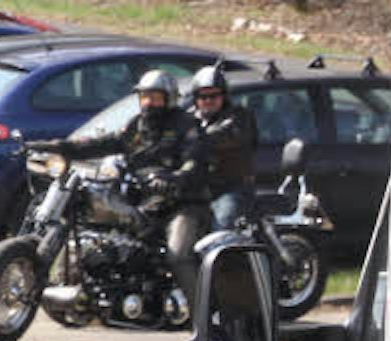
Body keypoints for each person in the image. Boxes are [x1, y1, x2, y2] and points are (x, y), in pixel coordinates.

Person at [25, 70, 207, 302]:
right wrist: (58, 147)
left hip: (182, 203)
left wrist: (176, 177)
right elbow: (104, 143)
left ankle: (203, 315)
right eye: (145, 97)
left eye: (155, 97)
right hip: (143, 199)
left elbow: (195, 159)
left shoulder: (186, 125)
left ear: (169, 99)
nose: (148, 103)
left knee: (178, 255)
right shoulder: (137, 126)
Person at [187, 66, 258, 231]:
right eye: (202, 96)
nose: (208, 100)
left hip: (231, 189)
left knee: (220, 226)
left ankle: (226, 248)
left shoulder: (239, 117)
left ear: (224, 96)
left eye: (214, 95)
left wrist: (197, 138)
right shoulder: (188, 119)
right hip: (196, 191)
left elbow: (226, 135)